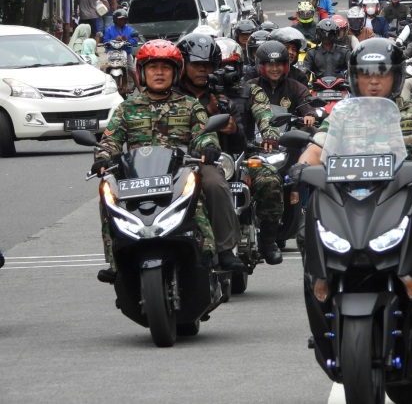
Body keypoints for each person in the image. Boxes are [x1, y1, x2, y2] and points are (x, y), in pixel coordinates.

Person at [292, 37, 412, 325]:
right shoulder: (342, 116)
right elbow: (317, 148)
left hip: (409, 198)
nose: (373, 82)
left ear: (396, 76)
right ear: (354, 77)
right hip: (348, 200)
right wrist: (300, 167)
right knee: (305, 231)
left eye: (381, 74)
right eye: (365, 75)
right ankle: (320, 289)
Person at [90, 39, 242, 283]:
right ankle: (114, 260)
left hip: (181, 170)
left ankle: (223, 250)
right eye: (153, 67)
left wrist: (209, 148)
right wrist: (102, 158)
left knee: (214, 181)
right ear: (141, 72)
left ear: (175, 72)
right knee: (107, 190)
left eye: (165, 68)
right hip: (137, 175)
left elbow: (205, 134)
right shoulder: (126, 109)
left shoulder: (190, 105)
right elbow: (111, 140)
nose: (159, 73)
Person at [177, 33, 284, 265]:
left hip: (240, 155)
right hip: (189, 160)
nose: (209, 72)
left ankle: (268, 240)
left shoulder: (247, 91)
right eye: (197, 65)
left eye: (228, 67)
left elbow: (265, 116)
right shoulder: (175, 96)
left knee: (270, 180)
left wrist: (270, 136)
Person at [248, 40, 317, 127]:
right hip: (256, 134)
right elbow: (239, 105)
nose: (275, 69)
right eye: (270, 65)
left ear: (285, 66)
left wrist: (309, 114)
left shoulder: (295, 86)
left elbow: (306, 100)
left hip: (288, 134)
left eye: (279, 64)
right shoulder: (251, 86)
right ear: (262, 67)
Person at [102, 9, 142, 93]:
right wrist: (114, 39)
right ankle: (104, 90)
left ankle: (140, 91)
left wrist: (127, 41)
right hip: (112, 53)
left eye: (123, 19)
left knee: (132, 71)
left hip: (125, 53)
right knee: (105, 71)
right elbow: (105, 40)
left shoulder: (130, 30)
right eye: (120, 19)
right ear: (115, 19)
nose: (122, 21)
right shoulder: (109, 30)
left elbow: (134, 41)